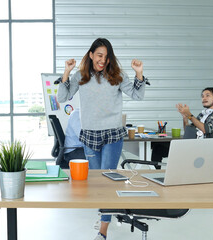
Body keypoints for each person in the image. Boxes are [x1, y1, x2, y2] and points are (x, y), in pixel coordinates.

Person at [56, 38, 147, 240]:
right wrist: (66, 72)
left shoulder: (117, 75)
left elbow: (137, 95)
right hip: (89, 135)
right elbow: (62, 97)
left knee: (107, 180)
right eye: (99, 55)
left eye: (106, 57)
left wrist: (139, 74)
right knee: (96, 180)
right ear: (91, 55)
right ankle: (106, 212)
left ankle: (103, 229)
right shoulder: (81, 75)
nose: (103, 60)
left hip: (113, 134)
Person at [151, 87, 213, 166]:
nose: (204, 98)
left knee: (158, 147)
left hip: (204, 147)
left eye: (207, 95)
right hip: (191, 144)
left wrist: (189, 115)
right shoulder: (202, 114)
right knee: (157, 146)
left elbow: (206, 129)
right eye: (202, 96)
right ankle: (155, 173)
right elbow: (188, 131)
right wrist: (185, 118)